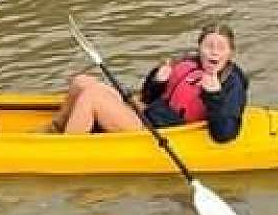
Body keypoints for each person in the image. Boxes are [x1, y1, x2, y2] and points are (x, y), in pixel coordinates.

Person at [50, 21, 248, 141]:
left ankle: (65, 150)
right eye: (209, 46)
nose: (214, 52)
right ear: (200, 48)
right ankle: (55, 130)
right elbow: (147, 96)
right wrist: (157, 80)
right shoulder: (188, 63)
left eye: (221, 48)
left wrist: (214, 96)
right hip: (146, 112)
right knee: (82, 82)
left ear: (230, 53)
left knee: (92, 96)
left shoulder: (232, 83)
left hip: (157, 131)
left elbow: (225, 134)